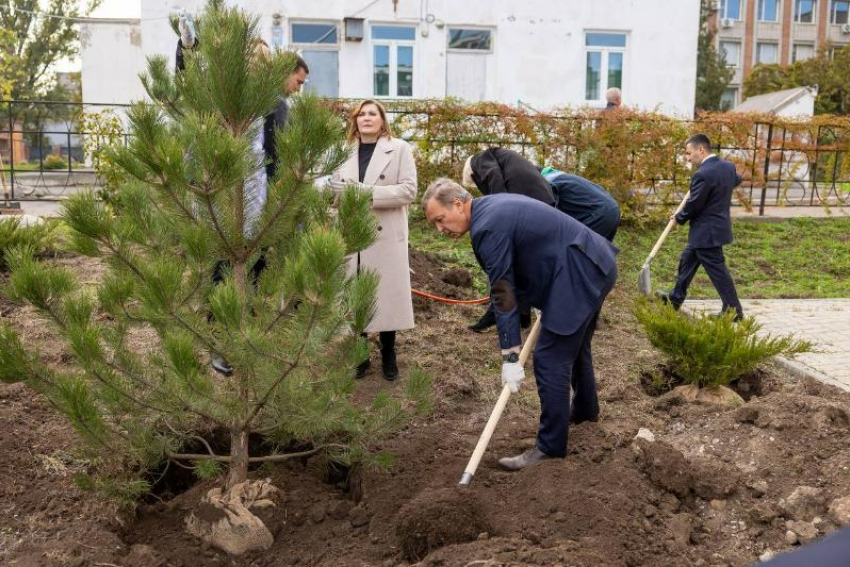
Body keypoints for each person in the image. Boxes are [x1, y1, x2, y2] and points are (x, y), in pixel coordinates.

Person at [422, 179, 618, 469]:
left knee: (550, 357)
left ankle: (550, 446)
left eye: (440, 219)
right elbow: (526, 259)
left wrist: (510, 355)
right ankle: (585, 413)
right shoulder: (491, 209)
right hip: (589, 263)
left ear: (458, 204)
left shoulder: (486, 227)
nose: (440, 229)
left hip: (577, 273)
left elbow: (503, 289)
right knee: (573, 347)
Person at [330, 100, 417, 381]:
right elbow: (335, 192)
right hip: (352, 232)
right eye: (361, 114)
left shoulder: (400, 148)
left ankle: (389, 353)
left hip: (385, 235)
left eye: (372, 114)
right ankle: (361, 353)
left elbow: (408, 191)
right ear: (355, 121)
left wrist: (365, 193)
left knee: (386, 294)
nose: (366, 118)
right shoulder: (343, 151)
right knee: (357, 293)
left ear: (382, 120)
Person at [461, 147, 554, 332]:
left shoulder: (477, 160)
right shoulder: (507, 159)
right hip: (543, 201)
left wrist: (498, 209)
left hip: (524, 205)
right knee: (523, 259)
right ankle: (523, 315)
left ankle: (496, 312)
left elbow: (493, 177)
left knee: (500, 257)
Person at [656, 134, 744, 321]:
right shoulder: (727, 167)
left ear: (701, 150)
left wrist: (679, 217)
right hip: (712, 230)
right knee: (686, 261)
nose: (688, 158)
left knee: (718, 273)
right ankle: (675, 299)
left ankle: (734, 311)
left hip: (707, 233)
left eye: (689, 153)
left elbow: (694, 205)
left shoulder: (703, 174)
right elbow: (737, 179)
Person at [540, 167, 621, 242]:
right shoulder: (563, 177)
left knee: (574, 251)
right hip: (613, 208)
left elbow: (551, 214)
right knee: (599, 254)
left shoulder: (548, 182)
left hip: (601, 212)